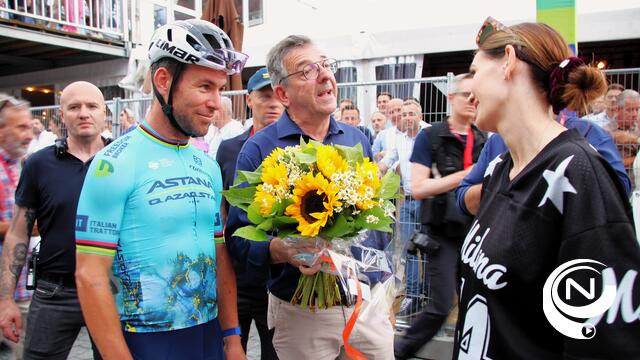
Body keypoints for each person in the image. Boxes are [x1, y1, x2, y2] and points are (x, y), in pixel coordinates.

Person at [454, 17, 640, 359]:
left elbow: (605, 340)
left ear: (508, 61)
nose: (469, 90)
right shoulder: (499, 170)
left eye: (475, 72)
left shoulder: (579, 174)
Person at [73, 19, 248, 359]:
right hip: (143, 340)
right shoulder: (113, 164)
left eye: (220, 89)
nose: (216, 102)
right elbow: (89, 275)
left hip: (207, 336)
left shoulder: (207, 166)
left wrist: (232, 337)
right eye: (204, 87)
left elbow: (220, 256)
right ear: (164, 81)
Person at [225, 35, 394, 360]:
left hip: (365, 303)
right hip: (302, 310)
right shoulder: (260, 150)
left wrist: (382, 291)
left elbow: (378, 216)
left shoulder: (357, 138)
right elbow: (238, 238)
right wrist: (280, 249)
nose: (326, 76)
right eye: (307, 70)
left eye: (327, 66)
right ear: (282, 93)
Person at [0, 83, 106, 360]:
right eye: (74, 107)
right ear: (62, 115)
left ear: (104, 112)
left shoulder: (124, 160)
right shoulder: (38, 164)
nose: (84, 113)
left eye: (92, 106)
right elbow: (18, 233)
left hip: (112, 291)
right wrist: (5, 300)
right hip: (53, 292)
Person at [394, 74, 486, 360]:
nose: (472, 102)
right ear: (451, 98)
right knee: (441, 304)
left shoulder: (483, 138)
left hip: (477, 233)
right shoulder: (430, 136)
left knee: (474, 305)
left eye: (476, 96)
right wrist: (465, 177)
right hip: (441, 234)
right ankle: (397, 352)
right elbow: (418, 187)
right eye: (466, 95)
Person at [216, 67, 283, 360]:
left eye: (277, 97)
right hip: (238, 275)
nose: (272, 104)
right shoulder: (229, 149)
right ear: (249, 100)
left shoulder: (297, 149)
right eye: (264, 96)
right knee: (231, 350)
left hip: (278, 278)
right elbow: (221, 207)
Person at [455, 112, 632, 216]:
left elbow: (620, 189)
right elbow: (463, 196)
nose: (472, 97)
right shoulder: (498, 141)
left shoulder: (586, 132)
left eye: (478, 72)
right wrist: (505, 184)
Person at [0, 95, 34, 360]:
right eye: (21, 127)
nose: (29, 133)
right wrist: (26, 226)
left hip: (21, 288)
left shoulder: (24, 165)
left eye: (29, 126)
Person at [605, 90, 640, 169]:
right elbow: (610, 163)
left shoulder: (638, 128)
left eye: (637, 109)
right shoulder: (606, 131)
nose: (634, 114)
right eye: (630, 110)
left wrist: (636, 139)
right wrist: (636, 159)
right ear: (617, 109)